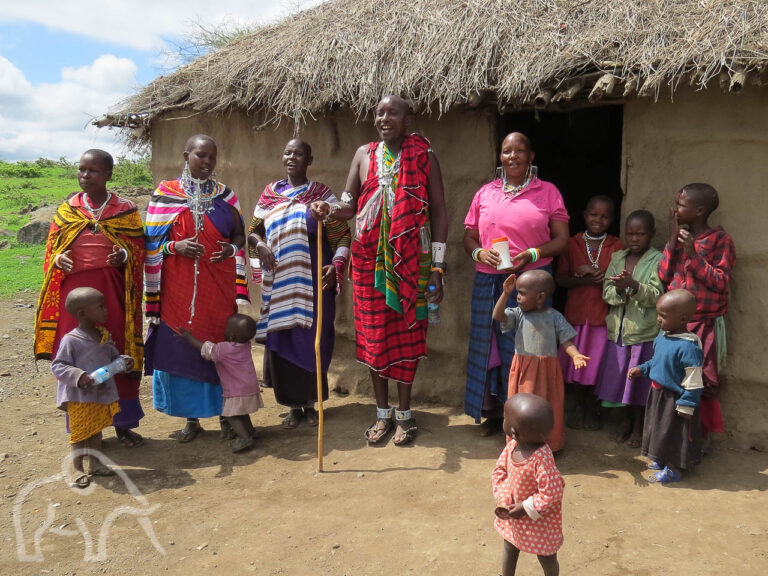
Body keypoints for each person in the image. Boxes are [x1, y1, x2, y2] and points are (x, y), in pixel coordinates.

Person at [310, 95, 448, 446]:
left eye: (393, 113)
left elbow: (440, 214)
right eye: (379, 113)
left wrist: (438, 267)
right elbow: (349, 204)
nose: (384, 118)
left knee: (407, 334)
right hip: (369, 257)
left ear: (407, 118)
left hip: (413, 258)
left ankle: (405, 413)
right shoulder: (363, 155)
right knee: (374, 337)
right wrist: (330, 208)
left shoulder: (424, 156)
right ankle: (382, 412)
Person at [35, 149, 146, 448]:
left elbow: (137, 250)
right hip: (75, 296)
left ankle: (122, 424)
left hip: (111, 290)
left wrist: (122, 255)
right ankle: (83, 427)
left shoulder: (126, 210)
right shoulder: (66, 210)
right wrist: (59, 260)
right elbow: (51, 251)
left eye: (93, 171)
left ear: (108, 174)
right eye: (81, 170)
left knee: (116, 350)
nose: (85, 176)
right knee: (79, 354)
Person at [144, 134, 249, 442]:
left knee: (217, 346)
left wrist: (231, 251)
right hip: (177, 289)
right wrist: (175, 247)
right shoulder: (165, 194)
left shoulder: (226, 196)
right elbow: (151, 245)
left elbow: (239, 236)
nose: (207, 162)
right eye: (201, 155)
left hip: (217, 289)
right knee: (182, 346)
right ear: (186, 155)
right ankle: (191, 418)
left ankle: (226, 416)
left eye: (212, 157)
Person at [463, 132, 569, 436]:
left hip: (529, 281)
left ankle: (529, 422)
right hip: (487, 279)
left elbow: (561, 239)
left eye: (520, 151)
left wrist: (532, 253)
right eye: (507, 151)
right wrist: (478, 251)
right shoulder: (485, 192)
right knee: (488, 345)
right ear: (500, 156)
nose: (513, 156)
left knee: (525, 349)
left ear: (531, 155)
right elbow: (468, 236)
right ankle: (496, 414)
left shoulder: (547, 191)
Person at [248, 139, 350, 429]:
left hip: (315, 281)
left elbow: (343, 235)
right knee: (286, 336)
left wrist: (337, 264)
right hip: (281, 281)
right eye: (287, 152)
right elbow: (252, 232)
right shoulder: (269, 195)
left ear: (310, 159)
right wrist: (260, 246)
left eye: (299, 153)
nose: (292, 157)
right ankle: (293, 406)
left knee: (313, 338)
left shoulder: (321, 196)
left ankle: (311, 402)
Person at [658, 183, 735, 440]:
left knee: (698, 380)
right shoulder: (680, 238)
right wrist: (672, 240)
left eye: (680, 205)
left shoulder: (720, 241)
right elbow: (663, 275)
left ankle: (696, 438)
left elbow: (721, 282)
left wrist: (694, 255)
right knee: (670, 378)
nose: (675, 209)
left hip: (701, 326)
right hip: (673, 327)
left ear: (699, 210)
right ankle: (671, 436)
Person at [492, 270, 589, 452]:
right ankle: (520, 441)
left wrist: (575, 355)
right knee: (521, 405)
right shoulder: (518, 314)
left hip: (547, 372)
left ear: (540, 297)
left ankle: (549, 445)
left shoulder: (554, 317)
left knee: (547, 405)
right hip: (524, 370)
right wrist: (505, 294)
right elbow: (498, 316)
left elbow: (566, 341)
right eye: (517, 293)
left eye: (522, 293)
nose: (518, 297)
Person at [51, 288, 135, 488]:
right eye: (101, 307)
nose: (106, 310)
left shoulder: (103, 335)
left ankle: (95, 464)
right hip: (80, 396)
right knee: (79, 433)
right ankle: (77, 468)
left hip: (99, 394)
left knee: (96, 430)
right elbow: (58, 365)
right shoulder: (71, 340)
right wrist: (79, 376)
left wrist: (123, 361)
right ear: (82, 314)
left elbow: (113, 358)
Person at [596, 210, 663, 447]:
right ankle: (624, 421)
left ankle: (638, 427)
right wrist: (620, 289)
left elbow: (658, 296)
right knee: (620, 382)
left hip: (643, 332)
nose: (634, 239)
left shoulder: (658, 259)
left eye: (641, 234)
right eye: (630, 233)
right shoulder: (617, 258)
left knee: (640, 385)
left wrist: (634, 286)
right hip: (619, 332)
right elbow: (606, 292)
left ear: (652, 234)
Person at [556, 195, 622, 431]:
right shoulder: (571, 243)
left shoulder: (617, 246)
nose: (598, 220)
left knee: (596, 366)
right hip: (575, 315)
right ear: (584, 215)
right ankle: (577, 408)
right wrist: (579, 276)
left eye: (604, 216)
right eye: (594, 214)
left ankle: (592, 409)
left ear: (612, 219)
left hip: (601, 317)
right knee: (574, 365)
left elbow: (621, 279)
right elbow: (560, 280)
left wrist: (605, 279)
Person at [629, 289, 704, 483]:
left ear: (682, 319)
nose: (658, 319)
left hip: (675, 399)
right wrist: (642, 369)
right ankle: (661, 460)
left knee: (672, 434)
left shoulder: (689, 347)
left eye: (663, 315)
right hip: (657, 394)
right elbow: (657, 361)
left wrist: (687, 404)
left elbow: (694, 380)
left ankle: (673, 469)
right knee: (658, 430)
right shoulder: (663, 336)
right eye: (658, 314)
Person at [492, 393, 564, 576]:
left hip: (538, 519)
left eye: (505, 418)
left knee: (546, 555)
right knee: (510, 545)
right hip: (513, 514)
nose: (503, 419)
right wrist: (503, 498)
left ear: (514, 431)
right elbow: (500, 471)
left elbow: (552, 494)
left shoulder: (541, 460)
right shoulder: (512, 447)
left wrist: (525, 507)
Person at [179, 314, 263, 453]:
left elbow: (205, 348)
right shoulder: (245, 346)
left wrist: (188, 337)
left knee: (230, 415)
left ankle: (244, 438)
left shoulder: (224, 349)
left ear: (231, 336)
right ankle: (250, 431)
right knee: (241, 413)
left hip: (236, 391)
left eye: (226, 328)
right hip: (250, 388)